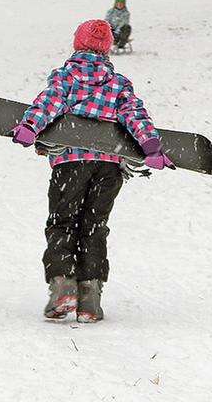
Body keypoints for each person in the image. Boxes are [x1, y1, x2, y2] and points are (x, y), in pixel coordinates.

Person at [9, 21, 169, 322]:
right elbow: (135, 113)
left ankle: (63, 287)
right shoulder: (118, 83)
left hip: (70, 163)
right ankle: (90, 299)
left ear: (77, 44)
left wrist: (30, 126)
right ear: (107, 47)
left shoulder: (67, 76)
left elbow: (50, 102)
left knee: (63, 222)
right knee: (94, 227)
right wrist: (149, 143)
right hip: (108, 168)